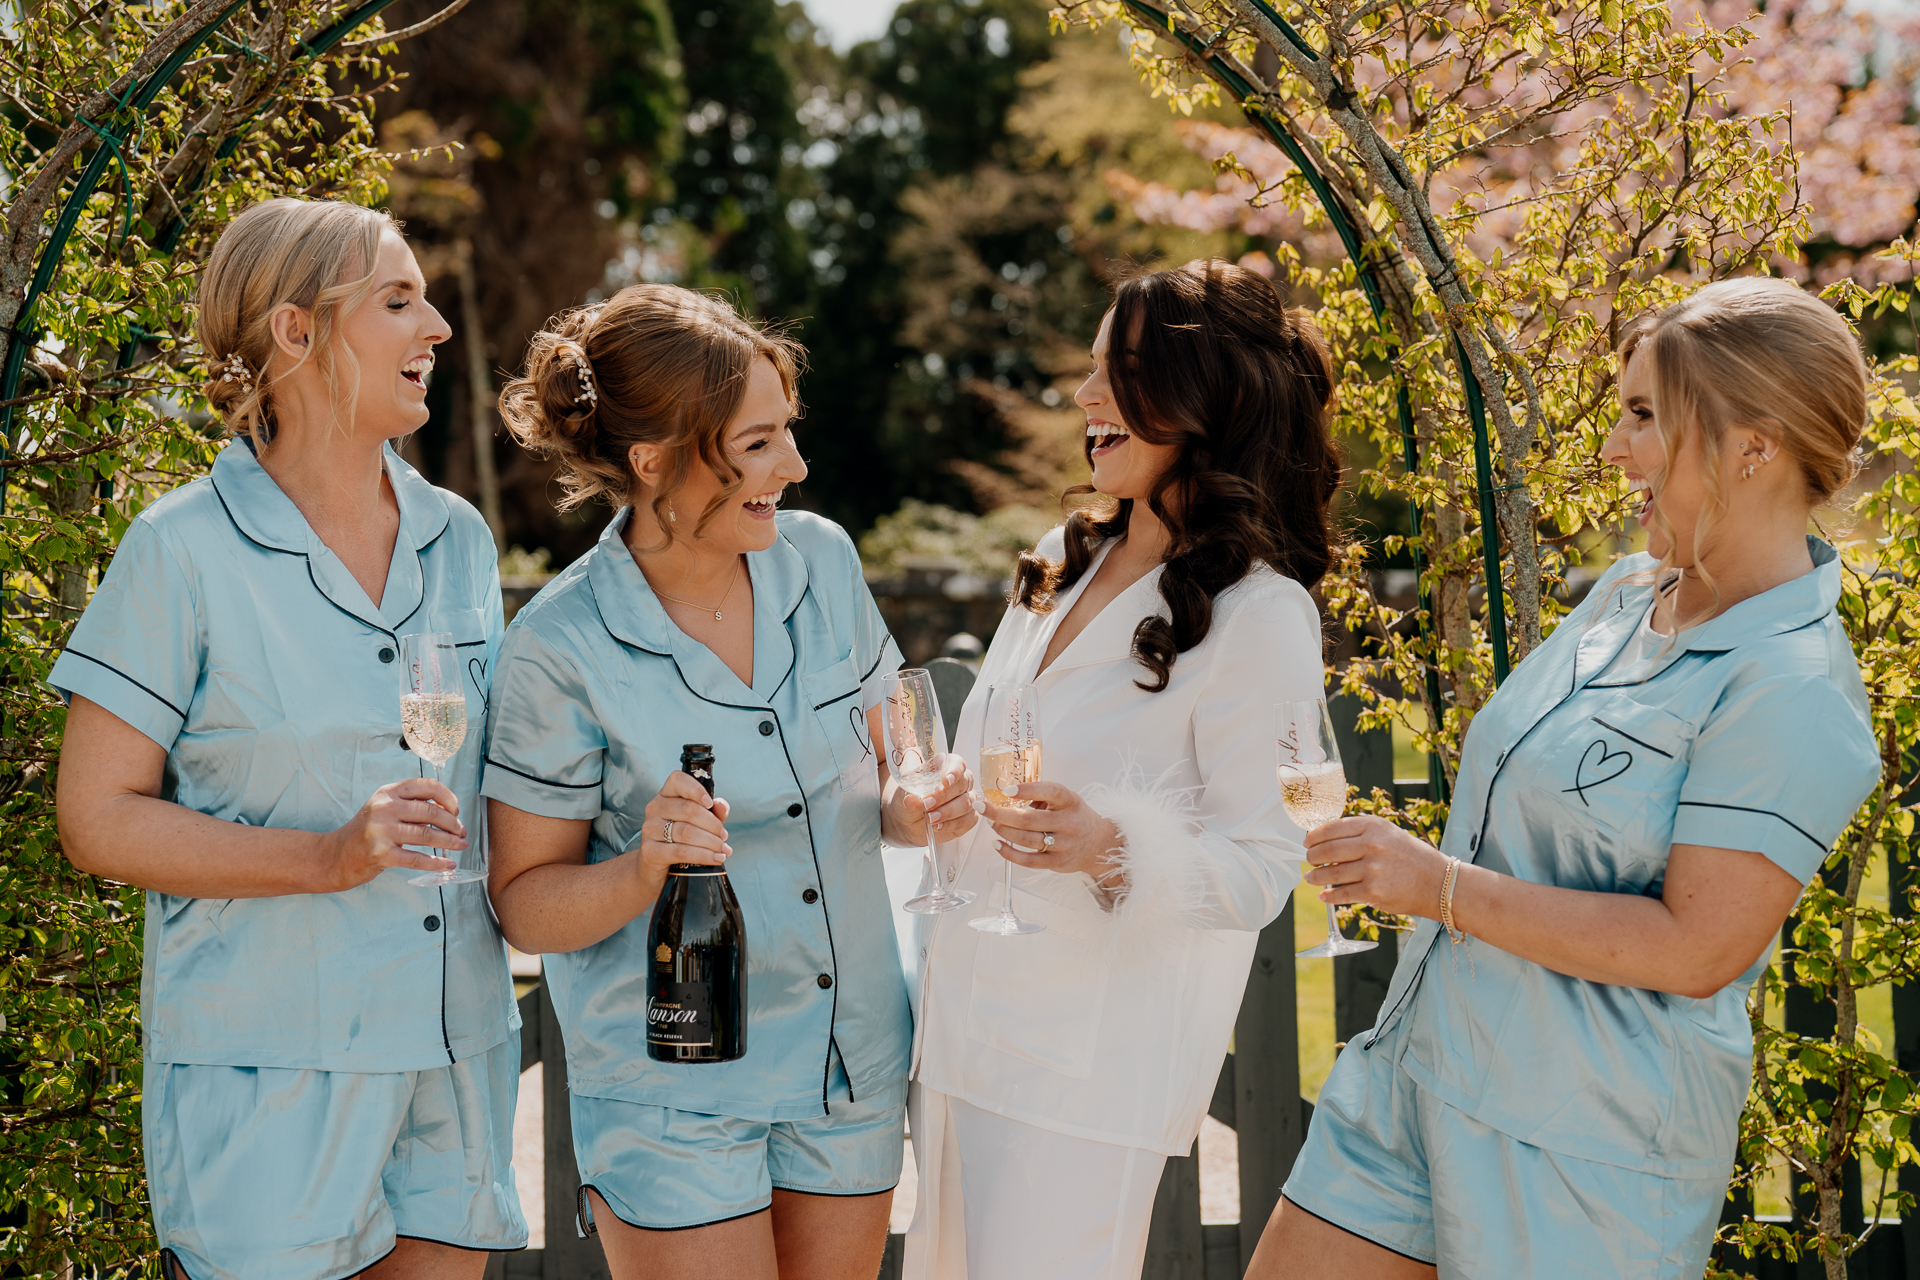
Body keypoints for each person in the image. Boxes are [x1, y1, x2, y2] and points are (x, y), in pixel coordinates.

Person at [1252, 276, 1881, 1279]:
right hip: (1414, 1082)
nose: (1611, 446)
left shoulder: (1794, 687)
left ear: (1752, 445)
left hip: (1580, 1157)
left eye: (1644, 416)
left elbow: (1697, 948)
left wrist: (1437, 887)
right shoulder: (1627, 599)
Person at [52, 198, 524, 1279]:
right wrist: (324, 856)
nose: (438, 327)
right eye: (399, 301)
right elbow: (96, 816)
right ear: (296, 332)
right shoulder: (181, 549)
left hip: (449, 1055)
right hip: (266, 1076)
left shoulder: (459, 539)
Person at [482, 283, 977, 1280]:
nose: (793, 466)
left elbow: (891, 770)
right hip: (675, 1089)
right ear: (652, 460)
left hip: (849, 1060)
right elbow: (526, 906)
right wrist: (642, 866)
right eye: (757, 445)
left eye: (787, 432)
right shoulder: (558, 647)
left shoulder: (823, 560)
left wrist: (914, 807)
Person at [904, 259, 1338, 1280]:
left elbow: (1262, 866)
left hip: (1089, 1067)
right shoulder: (1062, 556)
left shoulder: (1262, 613)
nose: (1086, 397)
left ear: (1207, 397)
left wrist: (1109, 843)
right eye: (1095, 370)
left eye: (1122, 373)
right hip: (962, 1030)